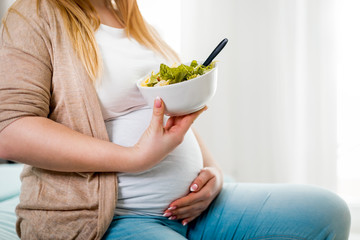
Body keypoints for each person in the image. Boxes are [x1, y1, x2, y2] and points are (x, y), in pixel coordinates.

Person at [0, 0, 351, 239]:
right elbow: (10, 129)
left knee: (325, 213)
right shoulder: (35, 14)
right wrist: (133, 158)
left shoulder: (138, 24)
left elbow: (168, 116)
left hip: (193, 209)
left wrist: (210, 173)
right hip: (111, 218)